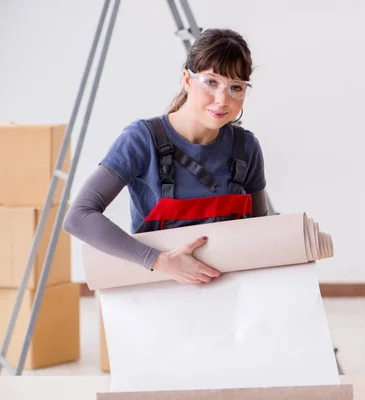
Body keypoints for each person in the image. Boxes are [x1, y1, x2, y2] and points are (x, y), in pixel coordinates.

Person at [63, 28, 269, 286]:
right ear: (187, 79)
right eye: (211, 82)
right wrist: (159, 260)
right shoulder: (142, 140)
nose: (222, 100)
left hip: (229, 299)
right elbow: (79, 217)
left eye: (235, 87)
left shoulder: (246, 147)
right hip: (158, 294)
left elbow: (262, 232)